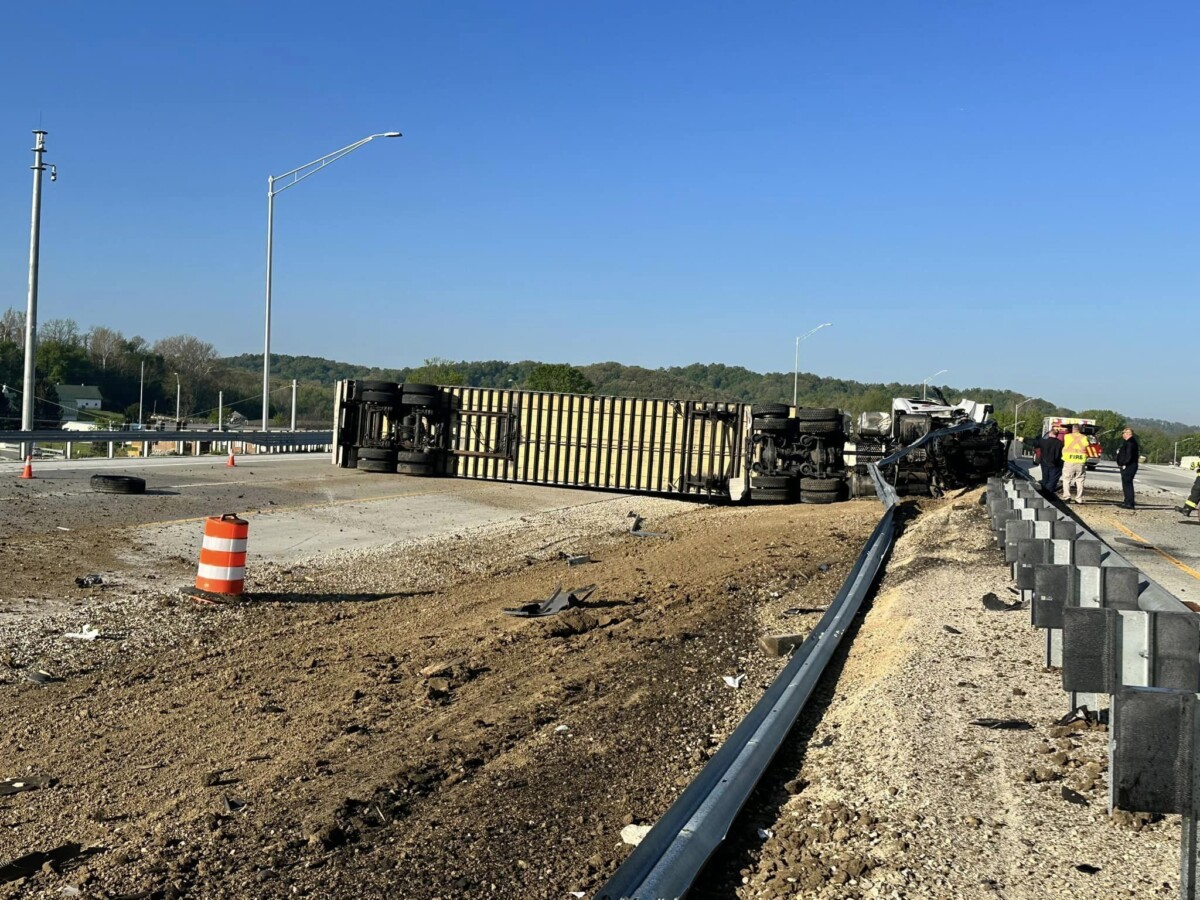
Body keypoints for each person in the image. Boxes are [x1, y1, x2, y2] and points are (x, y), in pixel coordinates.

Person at [1060, 424, 1090, 503]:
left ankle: (1067, 497)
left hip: (1069, 461)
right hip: (1080, 462)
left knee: (1066, 479)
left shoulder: (1067, 436)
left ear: (1073, 429)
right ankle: (1078, 499)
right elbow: (1087, 445)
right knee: (1080, 480)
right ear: (1079, 429)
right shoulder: (1084, 437)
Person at [1036, 424, 1065, 494]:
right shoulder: (1060, 444)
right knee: (1052, 481)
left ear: (1050, 433)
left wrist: (1023, 439)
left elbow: (1033, 443)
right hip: (1056, 465)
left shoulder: (1043, 441)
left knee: (1045, 479)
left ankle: (1043, 493)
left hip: (1044, 464)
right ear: (1057, 435)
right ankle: (1047, 494)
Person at [1115, 427, 1139, 509]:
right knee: (1126, 484)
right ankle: (1127, 501)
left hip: (1129, 466)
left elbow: (1129, 456)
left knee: (1127, 484)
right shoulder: (1129, 442)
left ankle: (1129, 503)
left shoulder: (1130, 443)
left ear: (1128, 433)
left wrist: (1124, 463)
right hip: (1129, 465)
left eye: (1124, 433)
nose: (1123, 434)